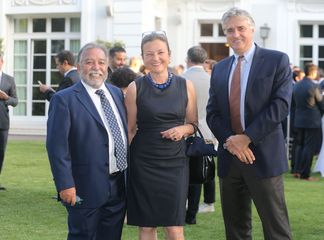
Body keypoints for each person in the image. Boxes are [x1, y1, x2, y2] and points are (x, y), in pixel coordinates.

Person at [206, 7, 292, 239]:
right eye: (229, 30)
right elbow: (212, 113)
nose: (236, 34)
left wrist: (247, 137)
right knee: (236, 231)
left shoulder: (277, 60)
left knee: (276, 229)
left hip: (263, 157)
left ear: (252, 29)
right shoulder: (220, 68)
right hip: (229, 159)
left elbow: (280, 106)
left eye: (241, 28)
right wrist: (232, 142)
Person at [46, 43, 127, 240]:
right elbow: (57, 147)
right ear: (79, 66)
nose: (96, 67)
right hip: (84, 185)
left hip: (119, 184)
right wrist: (65, 185)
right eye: (89, 62)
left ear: (107, 66)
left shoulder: (116, 94)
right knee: (82, 236)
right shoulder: (64, 100)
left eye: (101, 62)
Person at [125, 31, 197, 240]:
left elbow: (193, 124)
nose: (155, 58)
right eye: (149, 54)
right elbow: (130, 130)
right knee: (147, 226)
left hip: (175, 163)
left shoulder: (186, 85)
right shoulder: (134, 88)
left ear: (169, 54)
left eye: (160, 52)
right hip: (143, 163)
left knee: (174, 228)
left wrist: (182, 129)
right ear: (143, 57)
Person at [182, 46, 215, 225]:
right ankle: (192, 214)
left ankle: (185, 211)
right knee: (199, 172)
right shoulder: (211, 80)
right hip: (207, 132)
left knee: (185, 174)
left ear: (188, 59)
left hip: (186, 131)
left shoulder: (181, 79)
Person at [293, 63, 324, 181]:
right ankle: (305, 174)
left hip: (299, 119)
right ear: (314, 72)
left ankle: (297, 170)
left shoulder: (297, 85)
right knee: (308, 147)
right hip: (312, 121)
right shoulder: (314, 86)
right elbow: (321, 104)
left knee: (299, 145)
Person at [0, 53, 18, 191]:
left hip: (2, 123)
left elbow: (15, 101)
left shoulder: (9, 80)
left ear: (2, 62)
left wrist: (6, 97)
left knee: (1, 153)